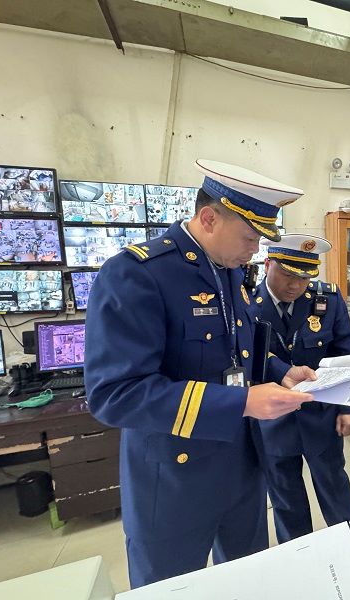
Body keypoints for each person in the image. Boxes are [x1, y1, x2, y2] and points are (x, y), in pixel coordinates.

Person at [85, 159, 316, 588]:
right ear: (209, 219)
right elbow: (115, 394)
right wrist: (242, 401)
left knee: (247, 583)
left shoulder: (228, 269)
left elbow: (236, 348)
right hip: (174, 476)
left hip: (241, 465)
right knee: (172, 588)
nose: (256, 250)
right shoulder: (138, 273)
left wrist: (281, 371)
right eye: (250, 237)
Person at [254, 234, 350, 543]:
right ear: (268, 264)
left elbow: (345, 355)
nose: (296, 285)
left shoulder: (327, 299)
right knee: (286, 498)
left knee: (335, 487)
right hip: (272, 421)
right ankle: (299, 553)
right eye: (288, 274)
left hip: (321, 416)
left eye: (304, 277)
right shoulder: (246, 303)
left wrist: (348, 407)